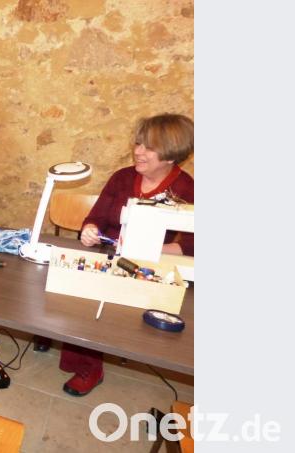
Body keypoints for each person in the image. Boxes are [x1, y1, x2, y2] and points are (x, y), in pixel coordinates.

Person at [58, 113, 194, 396]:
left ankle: (91, 368)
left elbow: (196, 243)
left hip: (149, 264)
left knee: (99, 302)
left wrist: (153, 249)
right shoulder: (122, 178)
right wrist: (90, 229)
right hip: (110, 253)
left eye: (148, 147)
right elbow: (95, 217)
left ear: (171, 155)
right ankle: (75, 352)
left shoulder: (186, 188)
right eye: (138, 143)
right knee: (73, 293)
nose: (138, 151)